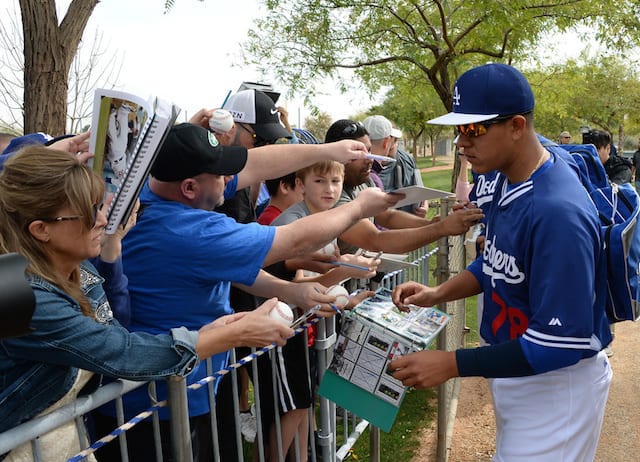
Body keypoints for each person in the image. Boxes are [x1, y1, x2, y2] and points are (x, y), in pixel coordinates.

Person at [92, 123, 400, 461]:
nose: (231, 177)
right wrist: (357, 207)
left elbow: (256, 164)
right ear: (191, 186)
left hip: (170, 386)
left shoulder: (152, 192)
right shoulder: (194, 231)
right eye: (222, 173)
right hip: (164, 405)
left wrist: (327, 151)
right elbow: (294, 239)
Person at [0, 146, 294, 461]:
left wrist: (209, 332)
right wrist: (229, 336)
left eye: (100, 206)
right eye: (88, 212)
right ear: (41, 229)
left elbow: (114, 320)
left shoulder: (73, 266)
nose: (103, 220)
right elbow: (121, 351)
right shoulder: (20, 295)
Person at [388, 63, 613, 462]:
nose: (461, 142)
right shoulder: (508, 178)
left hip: (557, 388)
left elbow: (557, 344)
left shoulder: (557, 211)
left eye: (473, 129)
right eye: (458, 130)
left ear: (516, 126)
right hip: (523, 373)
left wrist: (450, 363)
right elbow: (495, 263)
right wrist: (437, 292)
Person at [323, 119, 483, 256]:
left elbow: (387, 216)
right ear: (337, 155)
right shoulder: (330, 195)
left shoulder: (364, 182)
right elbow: (375, 239)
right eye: (359, 152)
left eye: (369, 150)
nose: (369, 159)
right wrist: (441, 228)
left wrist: (431, 224)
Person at [364, 115, 426, 215]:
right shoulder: (365, 170)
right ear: (386, 141)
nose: (394, 143)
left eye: (396, 139)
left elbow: (420, 190)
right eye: (392, 139)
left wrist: (423, 206)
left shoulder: (406, 160)